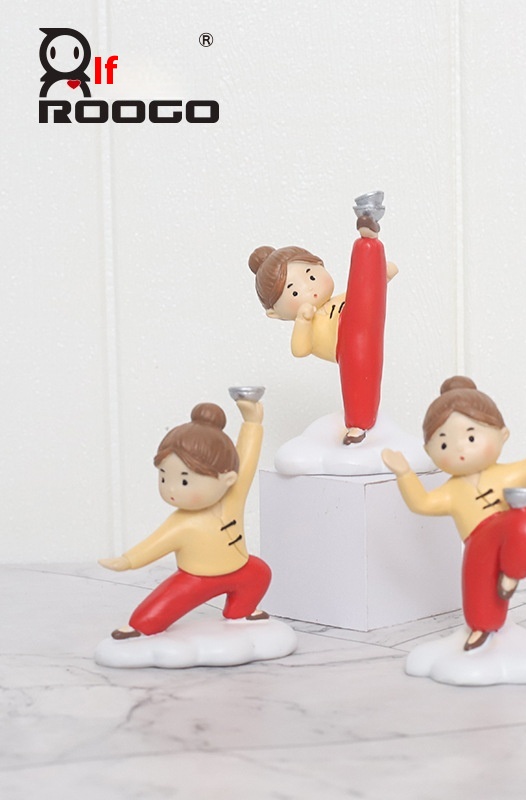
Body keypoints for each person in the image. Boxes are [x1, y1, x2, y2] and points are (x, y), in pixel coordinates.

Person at [382, 376, 526, 651]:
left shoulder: (507, 475)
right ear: (429, 450)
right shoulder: (452, 491)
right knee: (478, 588)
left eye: (471, 437)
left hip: (509, 531)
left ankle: (511, 574)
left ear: (503, 434)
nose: (461, 449)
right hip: (477, 544)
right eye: (444, 444)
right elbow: (422, 503)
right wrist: (404, 473)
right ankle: (481, 627)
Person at [99, 399, 270, 638]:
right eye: (163, 477)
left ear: (228, 479)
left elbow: (247, 462)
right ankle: (140, 627)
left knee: (259, 573)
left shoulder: (232, 498)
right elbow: (155, 544)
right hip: (195, 579)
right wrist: (127, 561)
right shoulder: (181, 523)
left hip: (240, 569)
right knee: (153, 615)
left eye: (184, 480)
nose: (171, 489)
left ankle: (241, 611)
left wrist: (252, 423)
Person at [249, 213, 397, 446]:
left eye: (311, 275)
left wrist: (379, 278)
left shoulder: (341, 299)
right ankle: (357, 425)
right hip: (346, 346)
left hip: (362, 330)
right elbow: (300, 350)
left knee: (362, 292)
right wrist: (303, 321)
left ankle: (369, 242)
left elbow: (363, 295)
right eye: (294, 292)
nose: (310, 289)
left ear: (321, 265)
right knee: (357, 384)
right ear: (274, 314)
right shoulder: (306, 321)